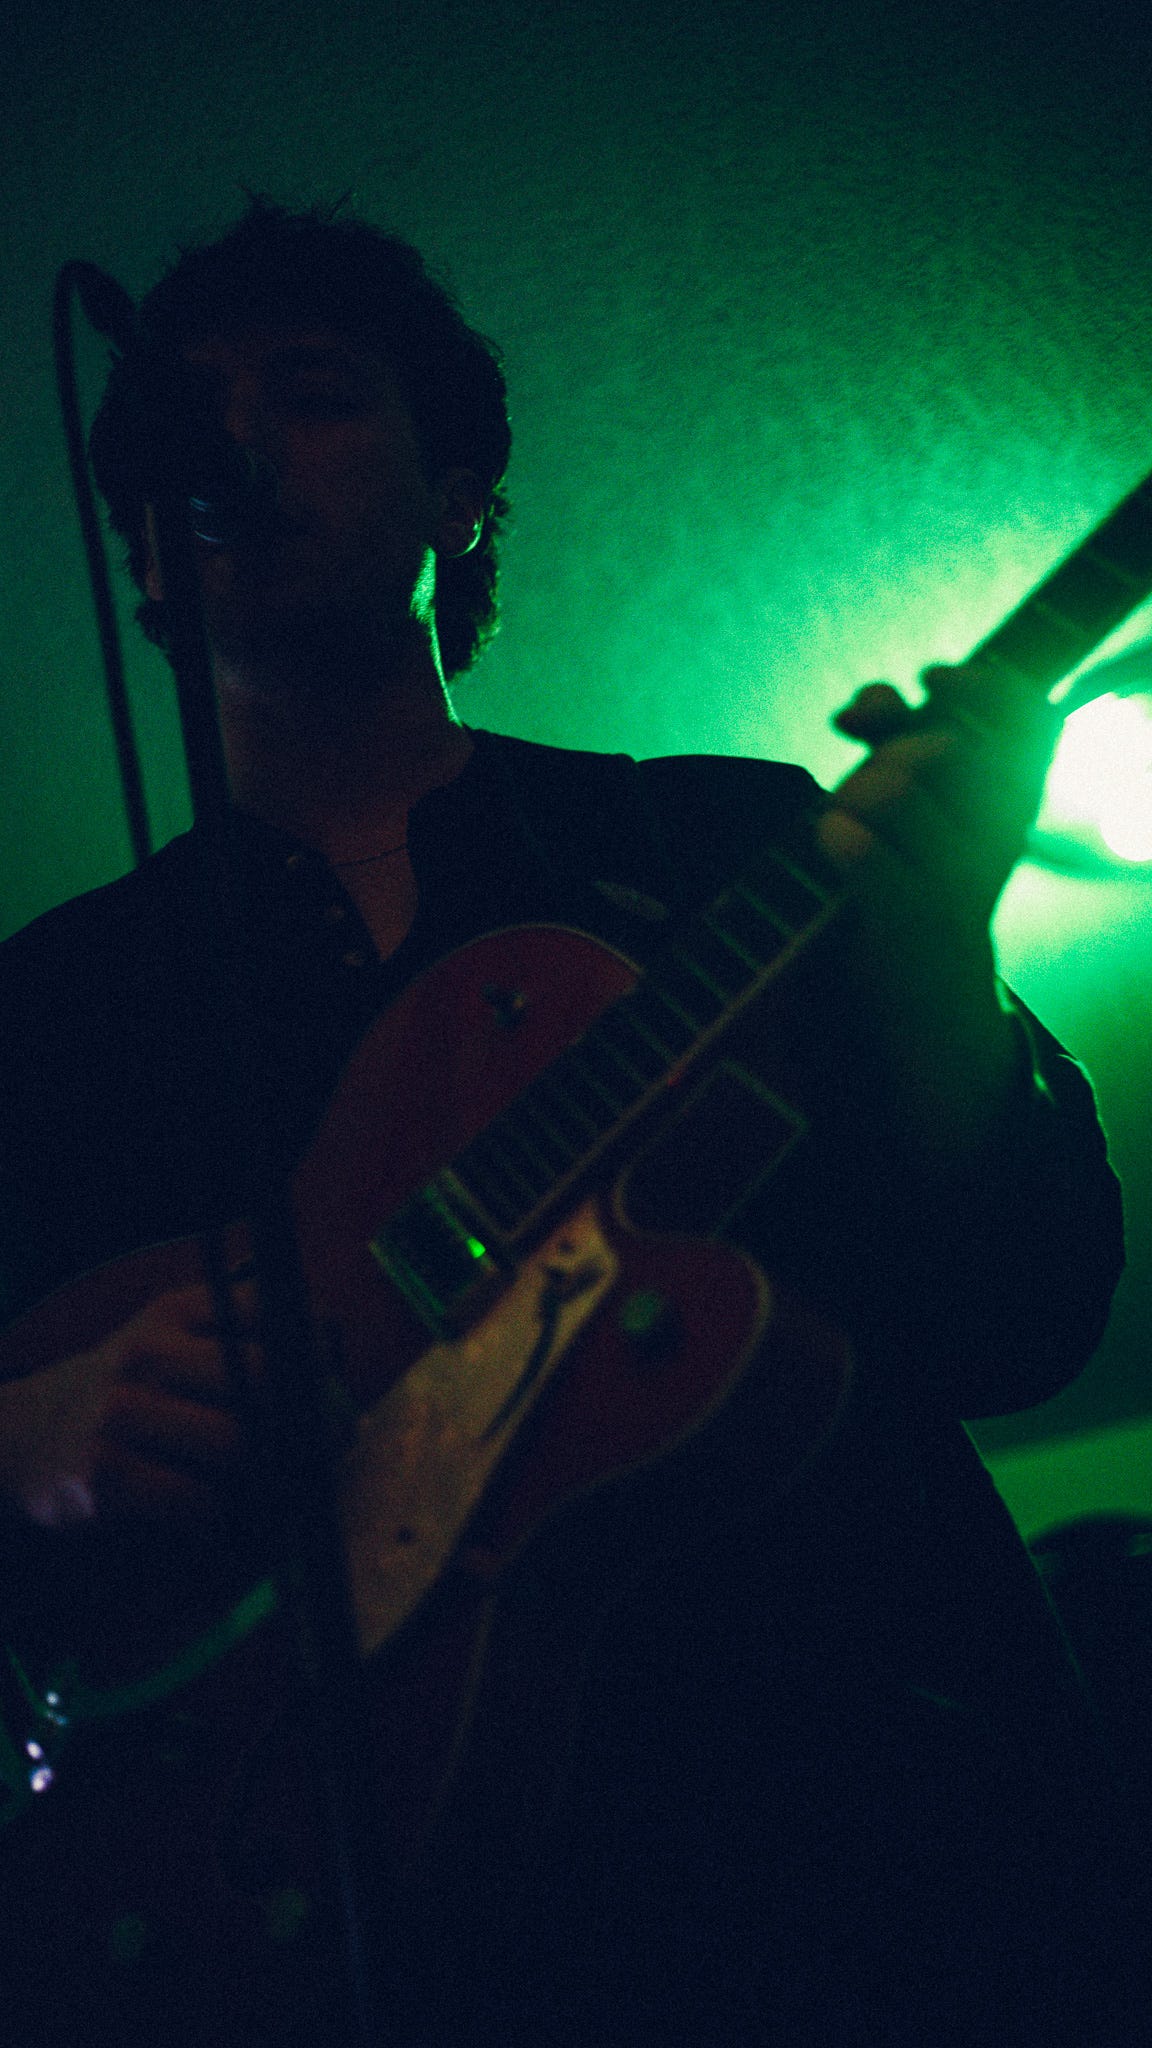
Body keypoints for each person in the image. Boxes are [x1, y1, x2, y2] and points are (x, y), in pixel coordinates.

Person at [0, 199, 1133, 2046]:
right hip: (346, 1934)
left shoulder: (722, 843)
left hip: (874, 1848)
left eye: (312, 393)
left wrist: (940, 955)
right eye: (193, 419)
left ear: (459, 496)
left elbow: (1023, 1317)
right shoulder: (54, 1012)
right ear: (137, 533)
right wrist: (28, 1434)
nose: (240, 444)